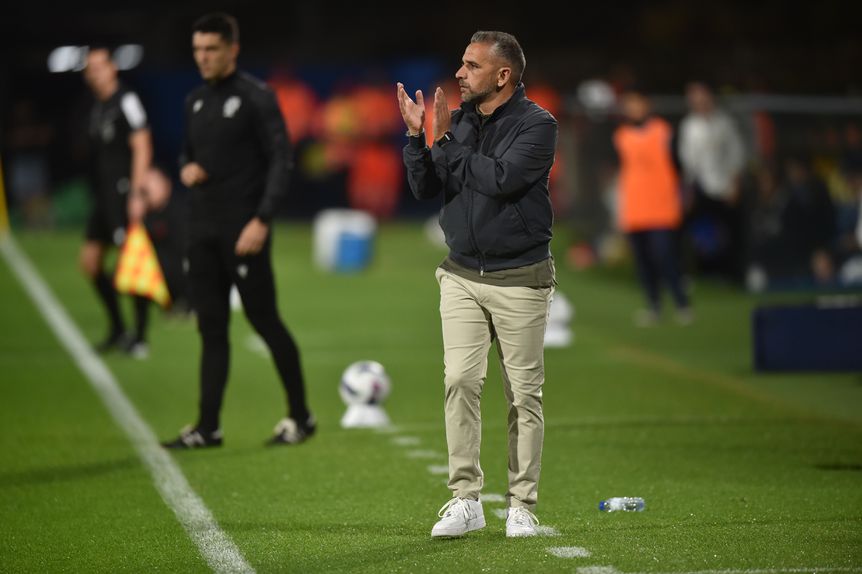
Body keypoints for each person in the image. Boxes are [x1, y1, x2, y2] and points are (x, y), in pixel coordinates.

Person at [397, 30, 557, 538]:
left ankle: (521, 504)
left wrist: (444, 141)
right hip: (461, 275)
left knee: (523, 396)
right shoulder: (460, 121)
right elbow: (426, 187)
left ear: (503, 75)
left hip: (520, 279)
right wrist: (416, 139)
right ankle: (465, 499)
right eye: (462, 63)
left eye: (471, 65)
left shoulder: (538, 125)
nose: (459, 73)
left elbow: (502, 179)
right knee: (460, 382)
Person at [162, 13, 314, 449]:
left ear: (232, 49)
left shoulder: (256, 97)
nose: (203, 57)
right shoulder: (194, 100)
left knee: (265, 321)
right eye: (198, 50)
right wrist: (185, 168)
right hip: (202, 231)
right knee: (210, 328)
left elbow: (281, 160)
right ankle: (208, 427)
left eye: (211, 49)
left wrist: (262, 220)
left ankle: (300, 417)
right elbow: (187, 154)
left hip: (244, 231)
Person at [80, 47, 153, 358]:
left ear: (113, 68)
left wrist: (137, 192)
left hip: (123, 192)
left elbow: (142, 143)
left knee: (131, 263)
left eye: (100, 66)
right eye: (90, 68)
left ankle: (140, 337)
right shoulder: (98, 106)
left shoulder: (127, 100)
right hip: (103, 195)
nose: (95, 73)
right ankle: (118, 328)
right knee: (90, 262)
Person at [612, 89, 691, 326]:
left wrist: (682, 195)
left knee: (665, 256)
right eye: (629, 104)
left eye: (637, 102)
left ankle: (682, 303)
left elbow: (679, 166)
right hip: (635, 208)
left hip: (662, 206)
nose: (633, 108)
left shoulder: (664, 131)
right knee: (643, 262)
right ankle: (653, 306)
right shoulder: (621, 136)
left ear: (647, 104)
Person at [677, 81, 747, 282]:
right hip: (700, 187)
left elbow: (736, 154)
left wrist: (734, 185)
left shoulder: (725, 123)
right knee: (689, 231)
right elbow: (687, 161)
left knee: (731, 233)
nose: (697, 100)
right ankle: (694, 273)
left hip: (724, 188)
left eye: (701, 95)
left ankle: (733, 276)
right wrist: (688, 191)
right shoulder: (689, 126)